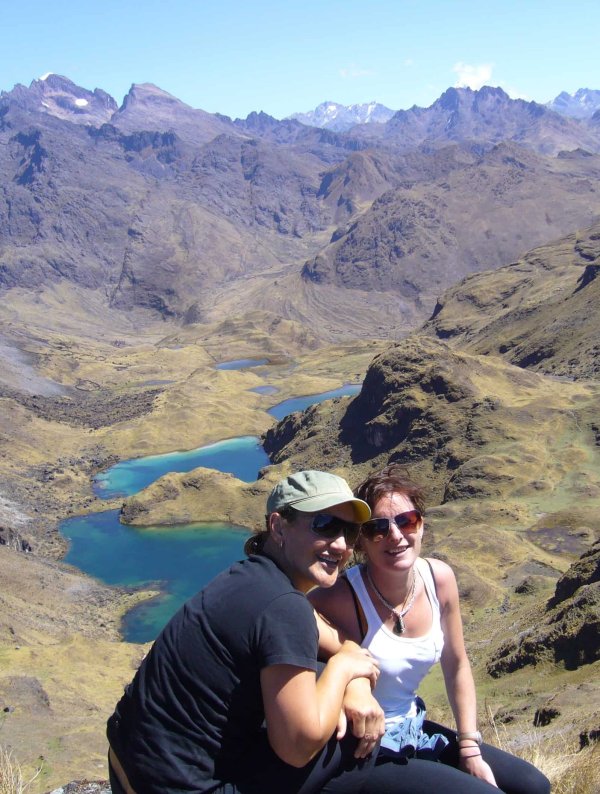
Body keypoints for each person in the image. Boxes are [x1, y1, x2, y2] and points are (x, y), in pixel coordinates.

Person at [106, 469, 388, 794]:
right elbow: (297, 748)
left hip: (127, 767)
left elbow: (341, 644)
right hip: (177, 787)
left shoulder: (251, 577)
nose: (340, 545)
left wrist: (354, 680)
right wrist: (342, 671)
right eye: (324, 525)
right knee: (355, 734)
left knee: (317, 677)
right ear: (278, 527)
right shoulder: (283, 605)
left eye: (350, 532)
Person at [310, 464, 551, 794]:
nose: (396, 536)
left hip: (415, 727)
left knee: (534, 785)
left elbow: (457, 664)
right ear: (361, 540)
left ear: (421, 525)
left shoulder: (439, 579)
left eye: (407, 521)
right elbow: (290, 638)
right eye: (377, 528)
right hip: (364, 748)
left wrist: (469, 747)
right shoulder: (337, 598)